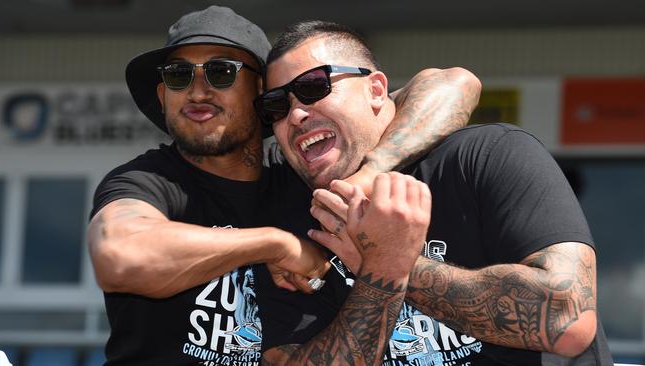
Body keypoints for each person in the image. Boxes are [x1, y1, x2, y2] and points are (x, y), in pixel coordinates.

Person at [86, 5, 481, 366]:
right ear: (162, 94)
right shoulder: (147, 181)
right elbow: (121, 256)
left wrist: (372, 169)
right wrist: (278, 245)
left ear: (262, 93)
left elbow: (453, 83)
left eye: (221, 72)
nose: (197, 90)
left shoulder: (304, 173)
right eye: (178, 76)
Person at [252, 21, 614, 365]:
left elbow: (567, 321)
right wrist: (379, 279)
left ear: (377, 90)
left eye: (314, 86)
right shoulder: (294, 213)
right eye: (276, 107)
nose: (296, 114)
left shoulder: (487, 156)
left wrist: (392, 264)